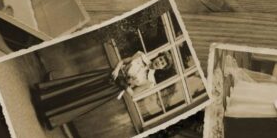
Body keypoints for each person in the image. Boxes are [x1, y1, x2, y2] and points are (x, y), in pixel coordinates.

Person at [31, 50, 172, 129]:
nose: (159, 62)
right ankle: (44, 97)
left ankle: (50, 115)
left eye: (162, 63)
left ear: (162, 68)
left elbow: (133, 94)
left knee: (83, 100)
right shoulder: (140, 55)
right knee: (79, 86)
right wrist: (116, 70)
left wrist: (126, 85)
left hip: (112, 89)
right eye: (160, 59)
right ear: (158, 56)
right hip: (109, 75)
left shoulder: (150, 82)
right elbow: (123, 61)